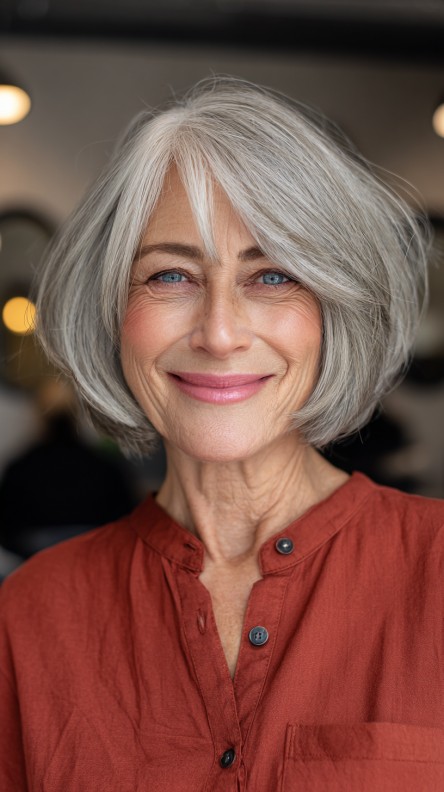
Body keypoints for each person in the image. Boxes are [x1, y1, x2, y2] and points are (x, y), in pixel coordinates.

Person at [1, 76, 443, 791]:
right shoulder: (30, 617)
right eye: (171, 275)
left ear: (336, 310)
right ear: (112, 313)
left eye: (272, 276)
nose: (219, 332)